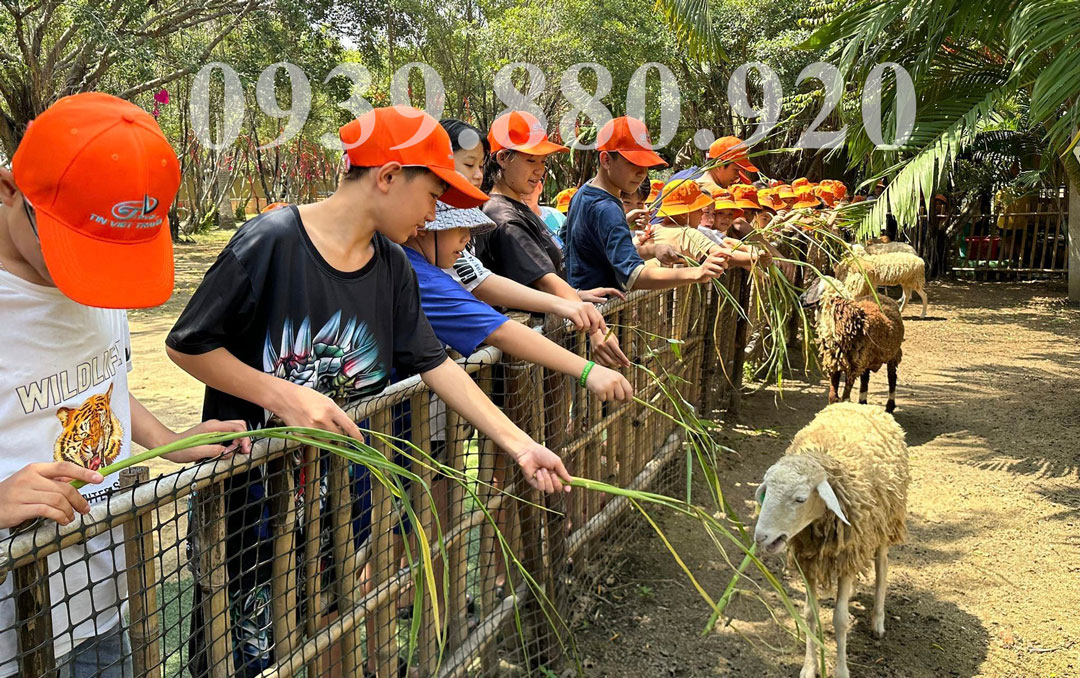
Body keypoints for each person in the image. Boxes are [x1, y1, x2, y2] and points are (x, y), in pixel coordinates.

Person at [166, 105, 574, 677]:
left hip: (340, 508)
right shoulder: (270, 242)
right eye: (433, 194)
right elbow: (188, 343)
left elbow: (436, 364)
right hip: (253, 514)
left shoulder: (392, 267)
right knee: (244, 658)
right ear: (387, 177)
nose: (435, 212)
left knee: (328, 628)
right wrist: (285, 397)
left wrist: (518, 443)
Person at [0, 92, 250, 678]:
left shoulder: (99, 279)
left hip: (101, 594)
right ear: (10, 189)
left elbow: (98, 385)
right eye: (75, 248)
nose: (90, 280)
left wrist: (171, 439)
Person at [475, 110, 630, 368]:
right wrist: (596, 329)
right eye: (531, 161)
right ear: (502, 158)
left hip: (544, 341)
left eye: (543, 162)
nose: (540, 171)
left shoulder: (517, 206)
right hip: (524, 358)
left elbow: (532, 281)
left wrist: (578, 295)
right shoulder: (504, 218)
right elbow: (544, 282)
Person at [562, 116, 728, 292]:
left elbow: (577, 243)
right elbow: (634, 276)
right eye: (633, 163)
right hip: (599, 309)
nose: (642, 173)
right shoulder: (608, 209)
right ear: (606, 160)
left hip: (580, 299)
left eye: (646, 164)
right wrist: (697, 272)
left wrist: (650, 248)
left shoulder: (583, 192)